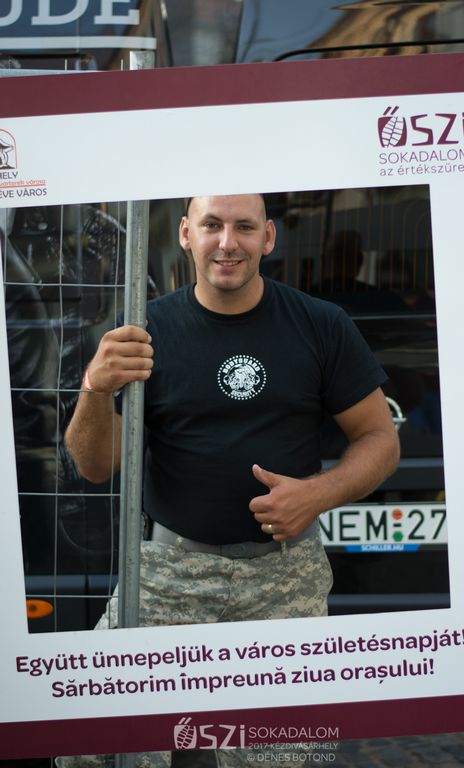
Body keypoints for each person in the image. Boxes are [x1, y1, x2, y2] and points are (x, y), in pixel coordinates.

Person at [63, 194, 400, 767]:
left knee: (279, 755)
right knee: (94, 745)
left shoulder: (320, 324)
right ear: (186, 234)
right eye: (212, 225)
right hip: (167, 573)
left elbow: (380, 439)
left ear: (268, 237)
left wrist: (316, 494)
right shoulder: (144, 332)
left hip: (283, 577)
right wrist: (95, 387)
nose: (227, 242)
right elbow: (95, 465)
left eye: (244, 227)